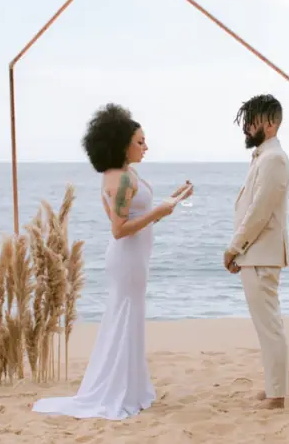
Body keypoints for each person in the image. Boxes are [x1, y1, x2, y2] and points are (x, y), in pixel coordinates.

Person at [32, 103, 193, 420]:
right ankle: (117, 391)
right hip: (127, 257)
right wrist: (160, 210)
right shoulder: (118, 180)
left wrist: (172, 200)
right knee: (124, 319)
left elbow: (140, 219)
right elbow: (120, 230)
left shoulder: (126, 174)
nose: (146, 147)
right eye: (140, 142)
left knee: (129, 319)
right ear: (122, 144)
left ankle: (131, 388)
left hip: (135, 256)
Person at [224, 94, 289, 410]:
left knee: (270, 326)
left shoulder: (274, 159)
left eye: (252, 121)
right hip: (255, 254)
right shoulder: (264, 158)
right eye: (246, 121)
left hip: (262, 255)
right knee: (265, 327)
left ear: (272, 122)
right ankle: (272, 387)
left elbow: (259, 212)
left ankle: (277, 395)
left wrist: (235, 247)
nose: (247, 127)